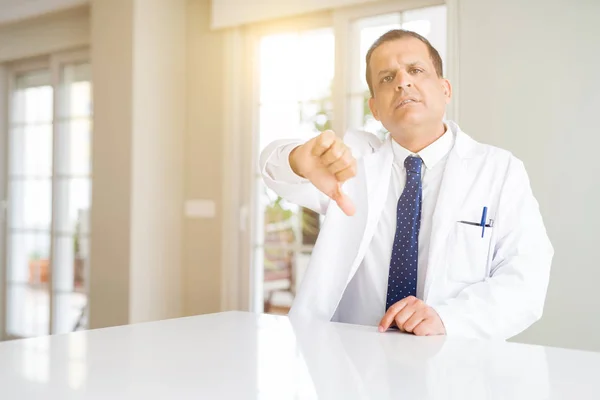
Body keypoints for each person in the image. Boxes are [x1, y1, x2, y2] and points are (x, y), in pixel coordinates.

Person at [259, 29, 553, 339]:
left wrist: (447, 319)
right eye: (386, 78)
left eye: (415, 70)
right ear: (375, 108)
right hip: (350, 357)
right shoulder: (350, 163)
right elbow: (271, 168)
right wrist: (298, 159)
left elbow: (526, 279)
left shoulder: (499, 171)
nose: (402, 82)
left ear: (445, 89)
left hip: (451, 358)